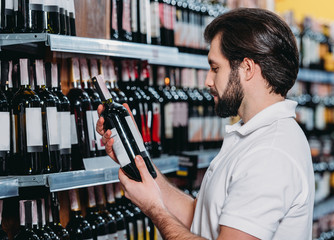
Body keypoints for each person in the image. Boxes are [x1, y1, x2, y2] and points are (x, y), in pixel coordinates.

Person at [96, 8, 315, 240]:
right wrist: (137, 157)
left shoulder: (270, 153)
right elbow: (198, 218)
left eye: (215, 68)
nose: (207, 80)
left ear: (247, 68)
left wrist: (154, 209)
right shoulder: (253, 137)